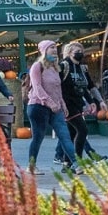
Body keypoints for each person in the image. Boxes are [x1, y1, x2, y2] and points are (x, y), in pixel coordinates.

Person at [25, 39, 78, 171]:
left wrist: (62, 105)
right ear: (44, 51)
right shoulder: (37, 66)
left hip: (56, 108)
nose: (54, 50)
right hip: (38, 106)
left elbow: (57, 89)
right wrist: (49, 102)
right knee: (38, 137)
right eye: (51, 48)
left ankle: (76, 164)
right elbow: (37, 87)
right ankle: (31, 165)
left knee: (64, 135)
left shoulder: (55, 68)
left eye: (55, 47)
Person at [60, 43, 98, 158]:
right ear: (70, 52)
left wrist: (91, 101)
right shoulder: (63, 66)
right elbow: (57, 86)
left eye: (81, 51)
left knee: (72, 133)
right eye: (77, 51)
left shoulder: (82, 68)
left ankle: (67, 163)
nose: (80, 53)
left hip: (78, 103)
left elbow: (85, 86)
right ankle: (78, 159)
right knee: (83, 130)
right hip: (67, 103)